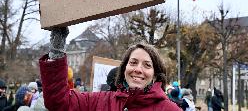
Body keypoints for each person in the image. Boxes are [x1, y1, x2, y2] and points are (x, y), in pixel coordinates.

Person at [39, 27, 181, 111]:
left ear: (155, 75)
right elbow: (58, 102)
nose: (138, 69)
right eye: (133, 62)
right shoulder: (100, 100)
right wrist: (57, 49)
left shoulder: (170, 109)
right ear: (124, 69)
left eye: (147, 65)